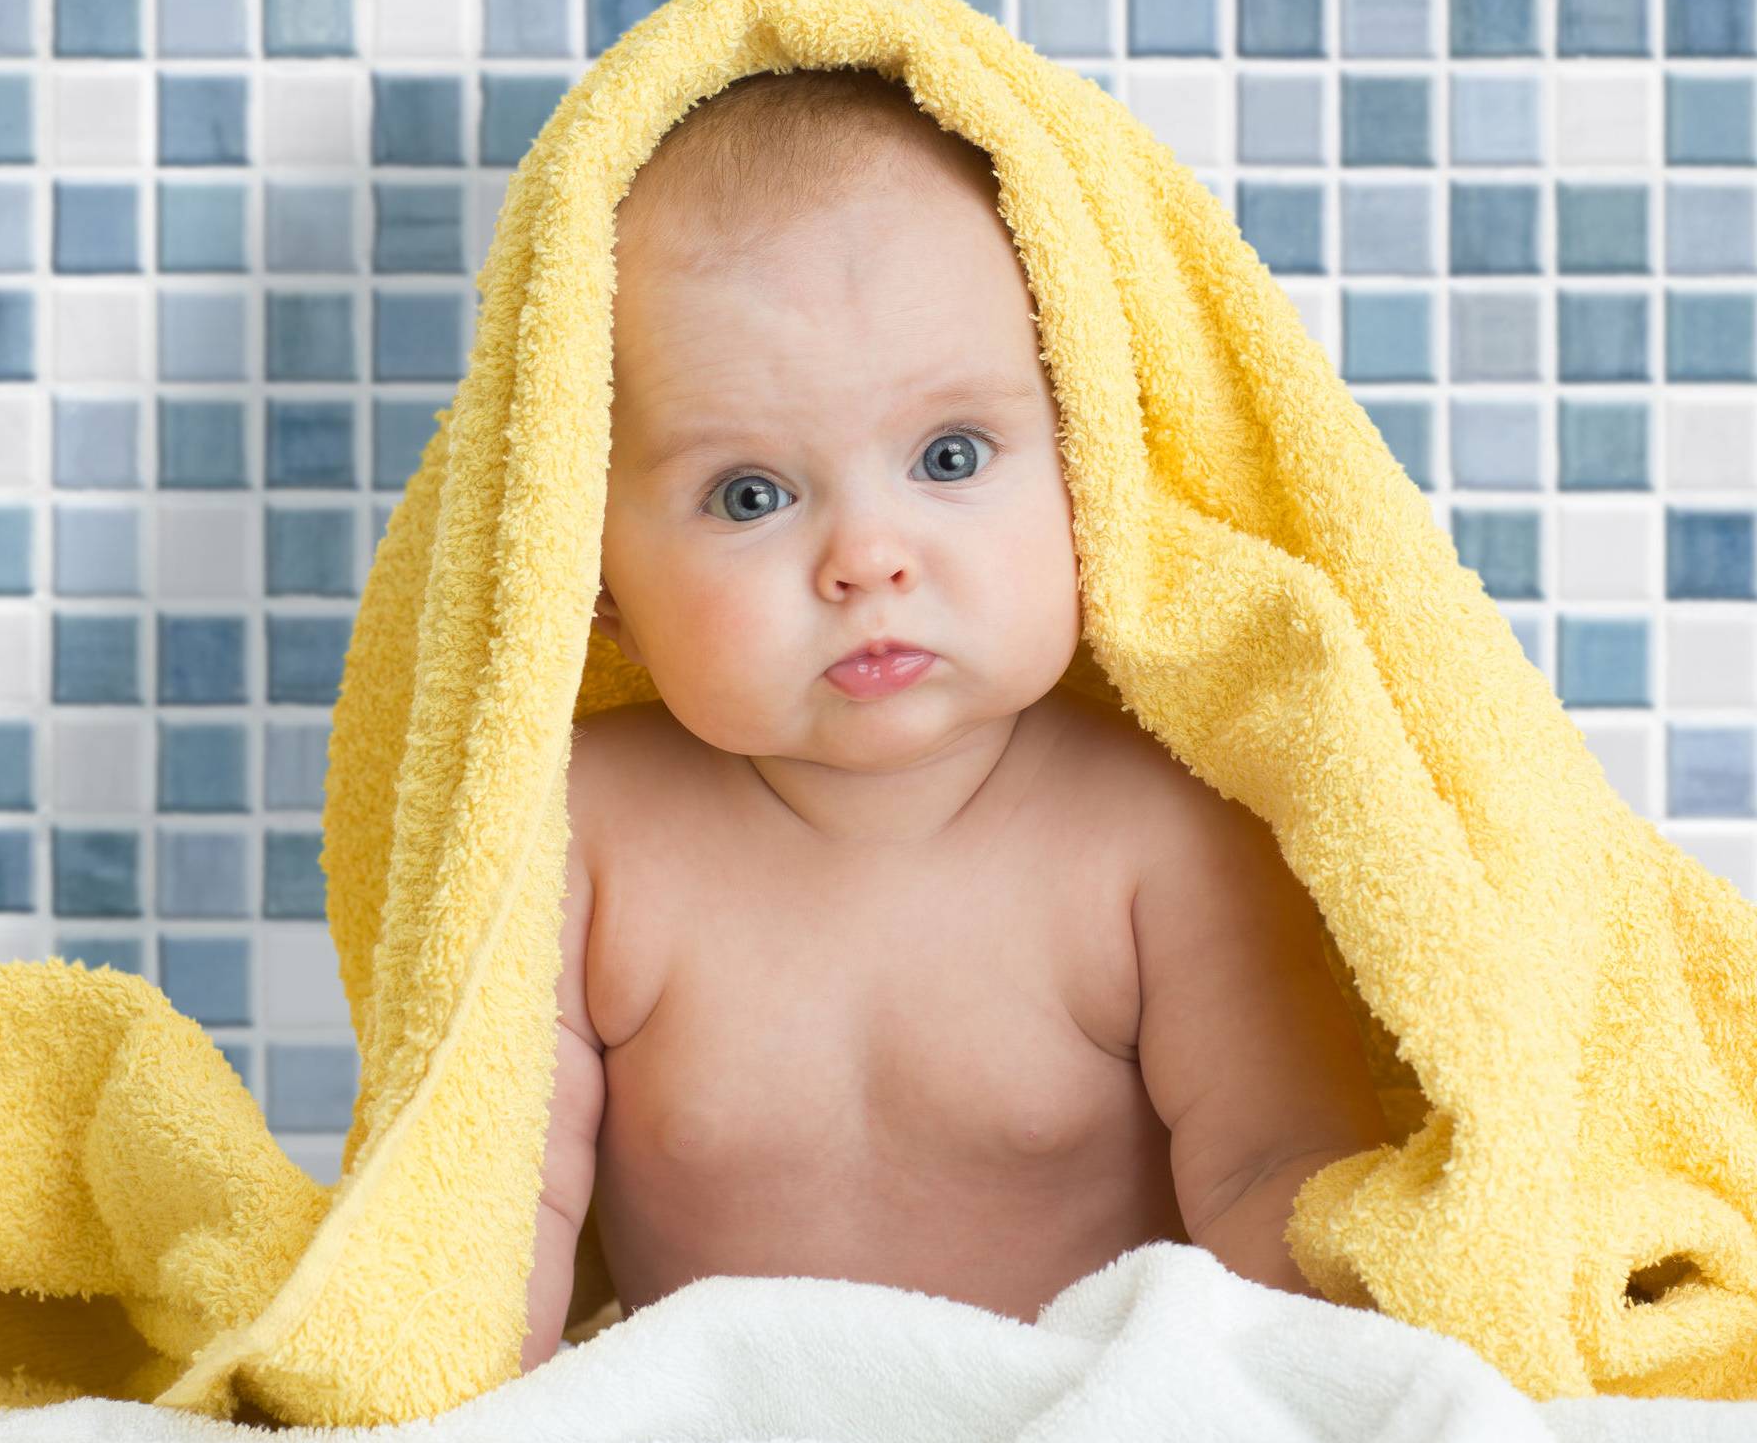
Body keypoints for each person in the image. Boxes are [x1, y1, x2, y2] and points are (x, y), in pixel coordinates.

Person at [518, 67, 1391, 1374]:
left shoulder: (1156, 826)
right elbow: (493, 1202)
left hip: (1079, 1408)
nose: (868, 557)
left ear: (1087, 465)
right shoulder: (582, 825)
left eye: (949, 458)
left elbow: (1277, 1175)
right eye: (750, 494)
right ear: (591, 577)